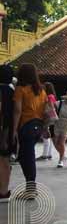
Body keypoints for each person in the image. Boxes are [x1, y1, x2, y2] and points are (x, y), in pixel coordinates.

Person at [13, 63, 48, 194]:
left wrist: (14, 130)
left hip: (26, 125)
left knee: (27, 157)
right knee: (24, 156)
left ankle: (31, 189)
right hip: (38, 125)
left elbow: (17, 110)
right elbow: (45, 111)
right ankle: (30, 187)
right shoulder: (41, 91)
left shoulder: (21, 89)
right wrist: (45, 128)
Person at [0, 65, 15, 202]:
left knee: (3, 161)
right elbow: (8, 116)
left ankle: (3, 191)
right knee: (4, 161)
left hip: (3, 131)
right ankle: (3, 191)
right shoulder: (10, 91)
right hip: (6, 131)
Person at [37, 82, 57, 161]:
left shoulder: (48, 96)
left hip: (47, 116)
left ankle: (45, 154)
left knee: (45, 134)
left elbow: (51, 106)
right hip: (51, 117)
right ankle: (48, 154)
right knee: (48, 134)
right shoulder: (52, 96)